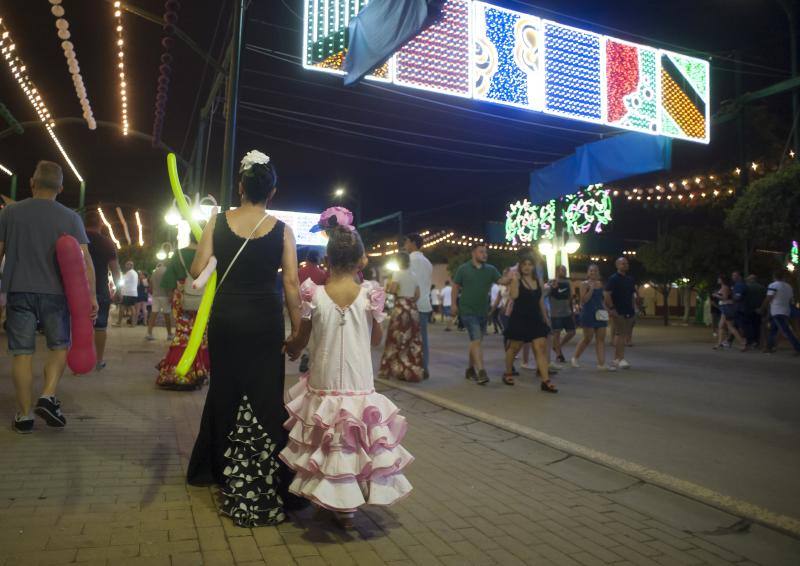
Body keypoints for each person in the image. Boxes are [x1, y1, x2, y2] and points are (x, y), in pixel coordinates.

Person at [187, 150, 304, 526]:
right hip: (265, 320)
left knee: (226, 389)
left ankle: (220, 468)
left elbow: (197, 268)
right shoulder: (283, 229)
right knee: (265, 393)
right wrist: (297, 329)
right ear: (272, 192)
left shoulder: (216, 220)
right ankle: (268, 468)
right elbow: (290, 282)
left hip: (226, 317)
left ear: (240, 186)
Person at [283, 210, 412, 528]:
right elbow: (376, 339)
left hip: (324, 381)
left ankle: (330, 498)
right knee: (354, 443)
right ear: (361, 260)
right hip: (359, 382)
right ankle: (346, 507)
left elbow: (302, 335)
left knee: (328, 442)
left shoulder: (314, 293)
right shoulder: (372, 294)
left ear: (327, 260)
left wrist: (292, 346)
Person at [0, 160, 98, 433]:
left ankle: (24, 415)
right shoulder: (70, 217)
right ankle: (48, 393)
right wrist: (91, 295)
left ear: (32, 183)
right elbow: (85, 261)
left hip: (19, 291)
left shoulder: (10, 213)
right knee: (58, 346)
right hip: (58, 294)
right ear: (61, 188)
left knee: (21, 353)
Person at [156, 233, 210, 389]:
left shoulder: (179, 254)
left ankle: (174, 371)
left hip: (182, 299)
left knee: (183, 334)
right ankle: (198, 370)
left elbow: (168, 282)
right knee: (201, 335)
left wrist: (172, 299)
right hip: (204, 301)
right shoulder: (209, 256)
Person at [452, 243, 511, 385]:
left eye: (485, 252)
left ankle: (470, 369)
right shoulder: (463, 269)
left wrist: (512, 277)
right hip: (467, 310)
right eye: (481, 252)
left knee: (475, 342)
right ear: (473, 253)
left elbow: (502, 281)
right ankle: (481, 371)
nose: (484, 254)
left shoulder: (490, 270)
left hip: (483, 311)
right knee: (476, 339)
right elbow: (455, 287)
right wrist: (454, 304)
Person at [502, 254, 557, 391]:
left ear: (534, 267)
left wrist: (546, 318)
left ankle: (545, 381)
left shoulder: (538, 281)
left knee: (540, 348)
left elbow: (540, 301)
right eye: (524, 264)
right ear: (520, 266)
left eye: (530, 264)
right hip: (519, 318)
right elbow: (513, 296)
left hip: (535, 319)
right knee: (514, 348)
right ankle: (508, 372)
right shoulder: (517, 280)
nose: (527, 267)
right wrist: (514, 281)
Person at [379, 252, 424, 382]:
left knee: (395, 339)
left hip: (401, 308)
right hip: (412, 308)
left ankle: (389, 369)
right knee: (412, 340)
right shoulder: (414, 275)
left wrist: (388, 287)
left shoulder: (397, 274)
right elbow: (417, 294)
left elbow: (392, 290)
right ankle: (411, 371)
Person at [85, 210, 121, 371]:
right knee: (100, 326)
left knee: (80, 326)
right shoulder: (107, 243)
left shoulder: (78, 239)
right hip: (100, 288)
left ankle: (81, 360)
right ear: (100, 224)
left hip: (79, 289)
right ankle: (98, 361)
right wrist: (119, 290)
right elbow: (115, 269)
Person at [571, 264, 615, 371]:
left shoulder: (600, 284)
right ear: (588, 273)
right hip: (588, 313)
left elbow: (601, 300)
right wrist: (591, 289)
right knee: (588, 338)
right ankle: (575, 358)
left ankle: (601, 364)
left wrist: (608, 310)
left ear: (598, 273)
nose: (593, 273)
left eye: (595, 271)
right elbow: (584, 300)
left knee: (601, 339)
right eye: (591, 271)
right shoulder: (583, 284)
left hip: (600, 313)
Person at [404, 234, 433, 379]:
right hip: (425, 304)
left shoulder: (408, 261)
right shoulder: (428, 262)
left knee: (409, 338)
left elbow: (408, 284)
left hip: (411, 304)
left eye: (407, 242)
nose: (405, 244)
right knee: (423, 338)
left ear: (413, 243)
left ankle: (411, 368)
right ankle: (424, 366)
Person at [297, 249, 328, 372]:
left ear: (307, 258)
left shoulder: (299, 272)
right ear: (318, 259)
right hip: (316, 307)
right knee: (314, 332)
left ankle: (302, 351)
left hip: (300, 306)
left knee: (301, 330)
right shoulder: (322, 274)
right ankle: (309, 354)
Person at [604, 257, 636, 369]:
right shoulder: (613, 279)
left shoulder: (630, 279)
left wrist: (633, 309)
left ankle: (616, 359)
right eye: (622, 263)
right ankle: (620, 359)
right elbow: (607, 294)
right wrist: (612, 308)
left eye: (626, 263)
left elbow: (632, 295)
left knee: (621, 334)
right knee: (621, 334)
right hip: (618, 310)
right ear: (617, 265)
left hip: (629, 310)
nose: (625, 265)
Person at [764, 270, 800, 354]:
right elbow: (791, 300)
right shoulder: (789, 286)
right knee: (773, 329)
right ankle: (769, 347)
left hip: (777, 311)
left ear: (774, 277)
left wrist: (762, 308)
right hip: (786, 310)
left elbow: (769, 297)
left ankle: (797, 347)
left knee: (786, 330)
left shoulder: (773, 285)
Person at [549, 265, 576, 364]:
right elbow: (546, 294)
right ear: (556, 271)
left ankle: (557, 346)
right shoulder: (551, 282)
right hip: (555, 313)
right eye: (561, 270)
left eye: (565, 270)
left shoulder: (568, 283)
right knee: (557, 333)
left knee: (572, 332)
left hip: (567, 312)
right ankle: (558, 355)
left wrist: (572, 310)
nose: (563, 272)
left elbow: (571, 297)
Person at [712, 275, 747, 351]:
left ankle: (742, 343)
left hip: (726, 307)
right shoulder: (724, 287)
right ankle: (719, 343)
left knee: (730, 326)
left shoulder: (725, 287)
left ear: (722, 279)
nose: (718, 279)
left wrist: (716, 295)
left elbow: (724, 297)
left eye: (719, 278)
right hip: (725, 307)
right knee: (721, 326)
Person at [147, 262, 173, 341]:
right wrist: (170, 295)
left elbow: (150, 284)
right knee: (167, 315)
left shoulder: (154, 272)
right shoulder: (167, 271)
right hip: (165, 295)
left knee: (153, 314)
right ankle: (169, 334)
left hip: (155, 296)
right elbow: (169, 283)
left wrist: (152, 292)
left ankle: (149, 333)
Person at [744, 274, 766, 349]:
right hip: (759, 309)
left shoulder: (747, 287)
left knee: (748, 326)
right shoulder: (762, 287)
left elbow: (745, 298)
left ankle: (750, 341)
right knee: (757, 326)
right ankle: (757, 341)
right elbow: (764, 298)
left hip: (748, 309)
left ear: (750, 280)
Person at [116, 260, 138, 326]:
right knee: (132, 307)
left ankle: (119, 322)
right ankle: (133, 323)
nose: (126, 266)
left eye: (127, 264)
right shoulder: (135, 273)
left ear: (131, 266)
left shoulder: (129, 273)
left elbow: (123, 281)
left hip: (127, 292)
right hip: (133, 292)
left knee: (122, 306)